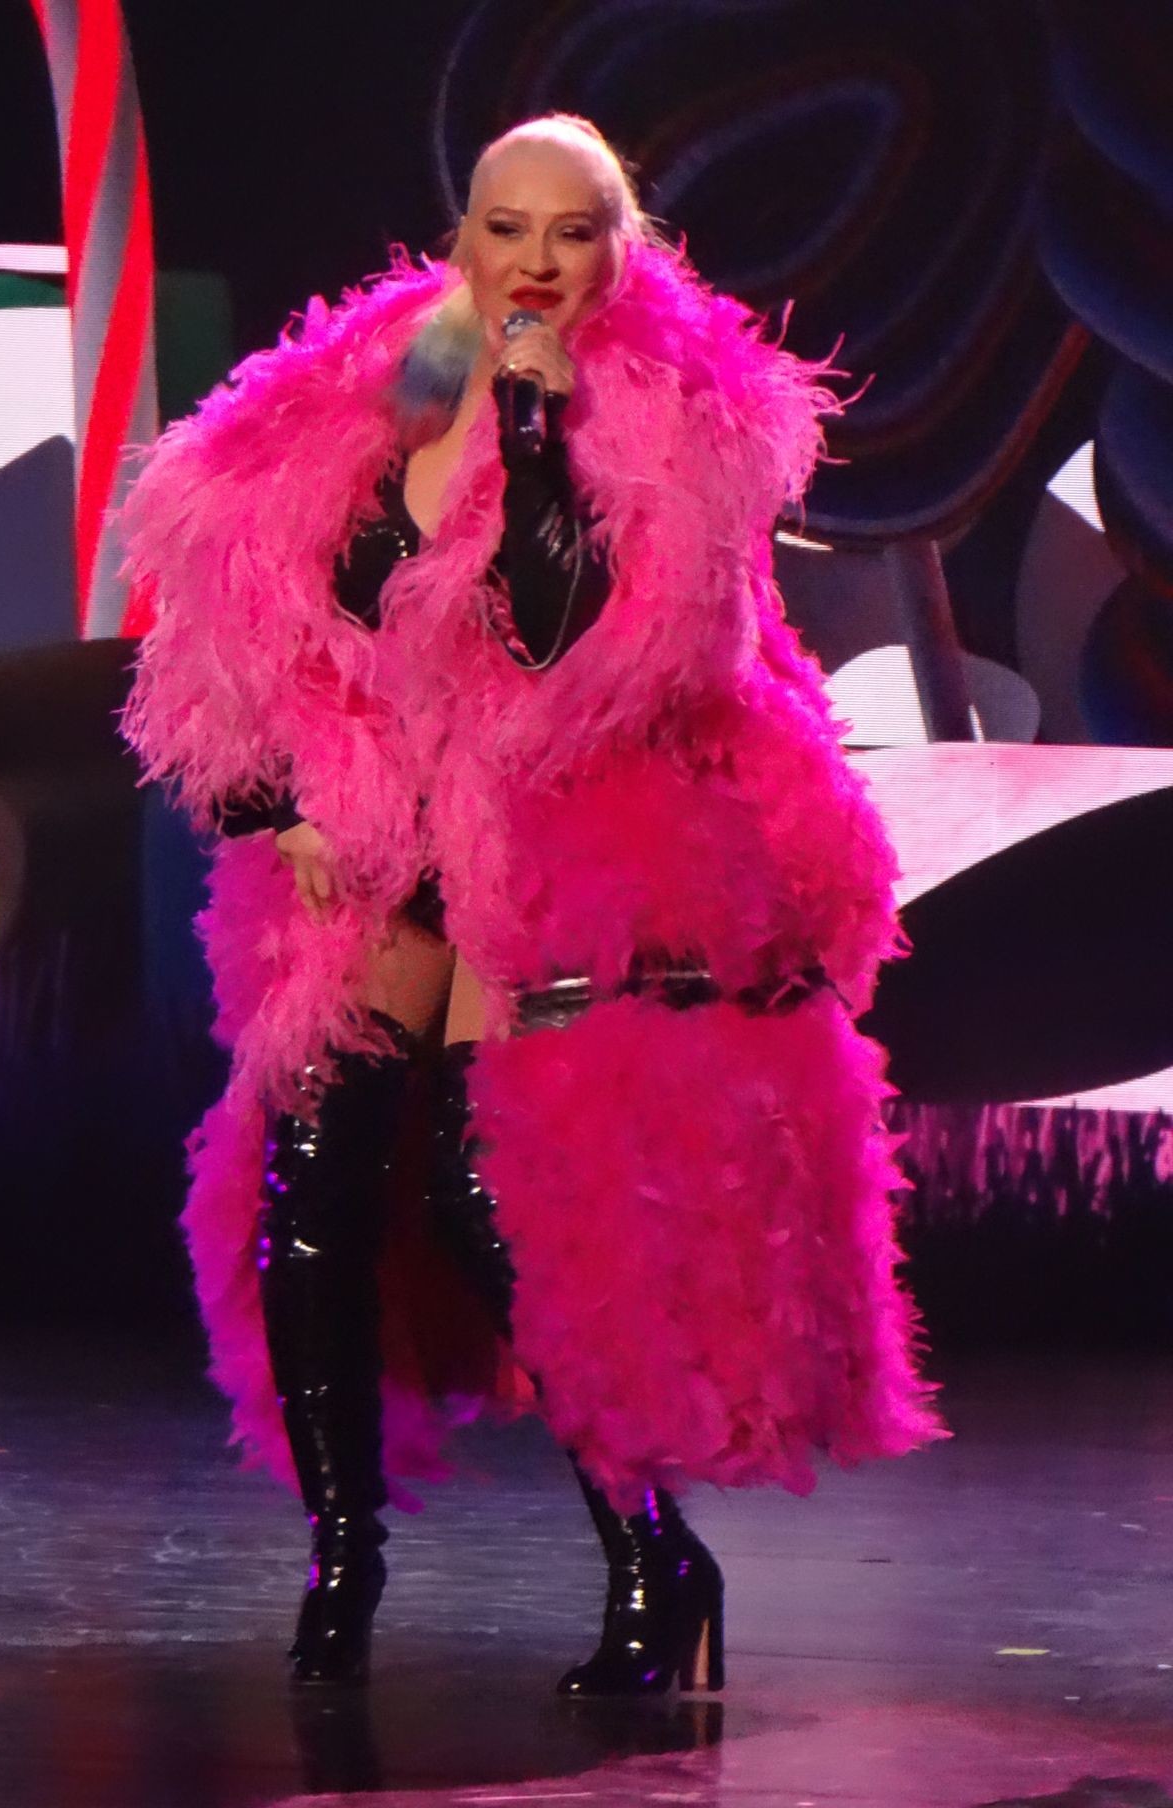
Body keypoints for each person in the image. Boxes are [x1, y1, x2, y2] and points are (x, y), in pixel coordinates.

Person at [116, 114, 947, 1695]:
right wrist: (284, 804)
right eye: (508, 229)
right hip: (373, 839)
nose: (537, 265)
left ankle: (652, 1552)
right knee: (312, 1193)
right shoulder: (375, 384)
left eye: (573, 234)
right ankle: (344, 1557)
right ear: (465, 235)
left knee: (495, 1200)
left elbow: (581, 647)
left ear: (622, 248)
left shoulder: (672, 412)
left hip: (554, 836)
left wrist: (538, 424)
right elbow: (240, 615)